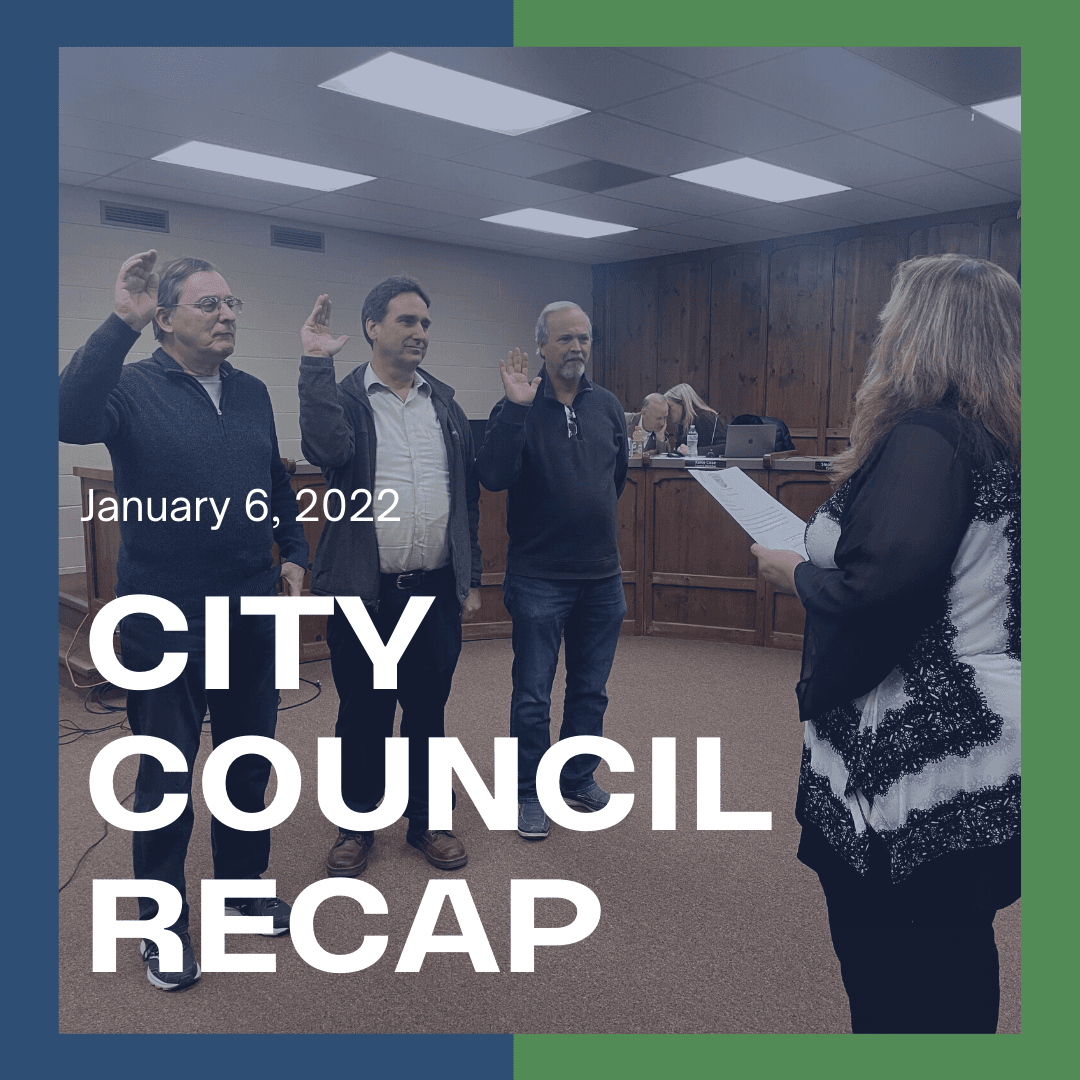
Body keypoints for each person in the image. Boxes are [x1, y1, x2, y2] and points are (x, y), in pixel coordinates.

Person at [752, 254, 1021, 1033]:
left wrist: (794, 575)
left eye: (891, 318)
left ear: (921, 332)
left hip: (919, 744)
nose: (879, 332)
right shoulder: (1005, 437)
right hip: (987, 726)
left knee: (894, 967)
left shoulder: (930, 438)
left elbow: (879, 591)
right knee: (952, 946)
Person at [59, 251, 309, 990]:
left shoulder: (255, 392)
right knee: (165, 779)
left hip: (249, 615)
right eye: (209, 304)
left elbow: (274, 479)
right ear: (165, 317)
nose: (227, 314)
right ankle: (161, 926)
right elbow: (65, 417)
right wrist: (119, 323)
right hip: (161, 622)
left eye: (232, 303)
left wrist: (292, 548)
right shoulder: (131, 388)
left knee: (245, 764)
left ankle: (241, 886)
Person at [297, 278, 482, 876]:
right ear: (372, 327)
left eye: (425, 323)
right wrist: (315, 366)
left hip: (432, 591)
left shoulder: (444, 406)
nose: (419, 333)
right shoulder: (348, 399)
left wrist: (469, 575)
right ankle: (357, 822)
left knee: (428, 712)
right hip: (366, 593)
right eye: (406, 321)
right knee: (363, 713)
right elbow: (324, 448)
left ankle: (428, 821)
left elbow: (465, 499)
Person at [476, 302, 628, 840]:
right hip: (539, 577)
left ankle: (576, 777)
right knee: (533, 694)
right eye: (565, 339)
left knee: (591, 691)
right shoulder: (517, 405)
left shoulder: (607, 406)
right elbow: (492, 476)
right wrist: (516, 409)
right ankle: (527, 791)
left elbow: (616, 478)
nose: (577, 349)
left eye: (584, 339)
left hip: (602, 579)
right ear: (541, 346)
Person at [662, 383, 723, 453]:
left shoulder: (705, 418)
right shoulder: (683, 424)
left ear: (683, 403)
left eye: (670, 406)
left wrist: (694, 451)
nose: (667, 412)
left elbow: (724, 447)